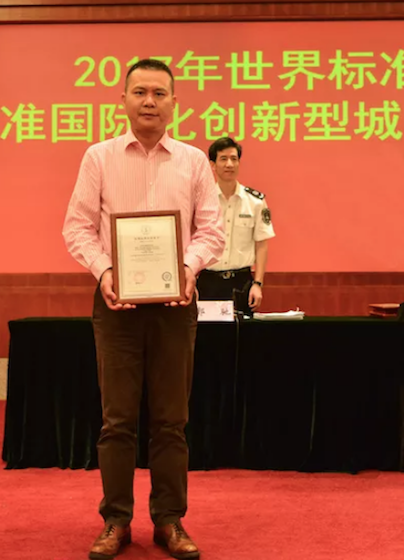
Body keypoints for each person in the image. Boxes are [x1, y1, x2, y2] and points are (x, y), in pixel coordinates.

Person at [62, 59, 225, 560]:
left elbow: (212, 231)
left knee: (171, 421)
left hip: (176, 303)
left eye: (159, 93)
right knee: (117, 420)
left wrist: (188, 269)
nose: (149, 101)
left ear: (175, 102)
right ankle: (116, 521)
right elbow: (77, 227)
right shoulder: (99, 157)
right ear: (124, 100)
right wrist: (106, 272)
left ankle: (169, 520)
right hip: (117, 303)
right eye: (139, 92)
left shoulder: (193, 161)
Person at [196, 137, 275, 316]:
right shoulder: (201, 201)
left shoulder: (255, 201)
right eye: (223, 159)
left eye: (234, 159)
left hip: (242, 282)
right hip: (208, 281)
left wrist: (258, 284)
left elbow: (261, 244)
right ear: (213, 165)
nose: (229, 164)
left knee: (243, 332)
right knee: (208, 332)